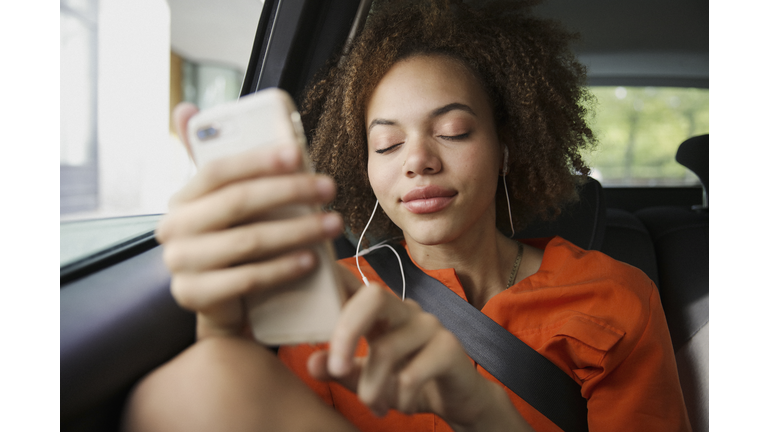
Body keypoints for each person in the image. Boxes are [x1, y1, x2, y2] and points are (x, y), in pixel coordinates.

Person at [124, 1, 691, 431]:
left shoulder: (614, 295)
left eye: (453, 132)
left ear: (506, 149)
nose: (418, 160)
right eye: (387, 144)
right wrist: (220, 339)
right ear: (362, 168)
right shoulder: (331, 302)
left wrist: (486, 414)